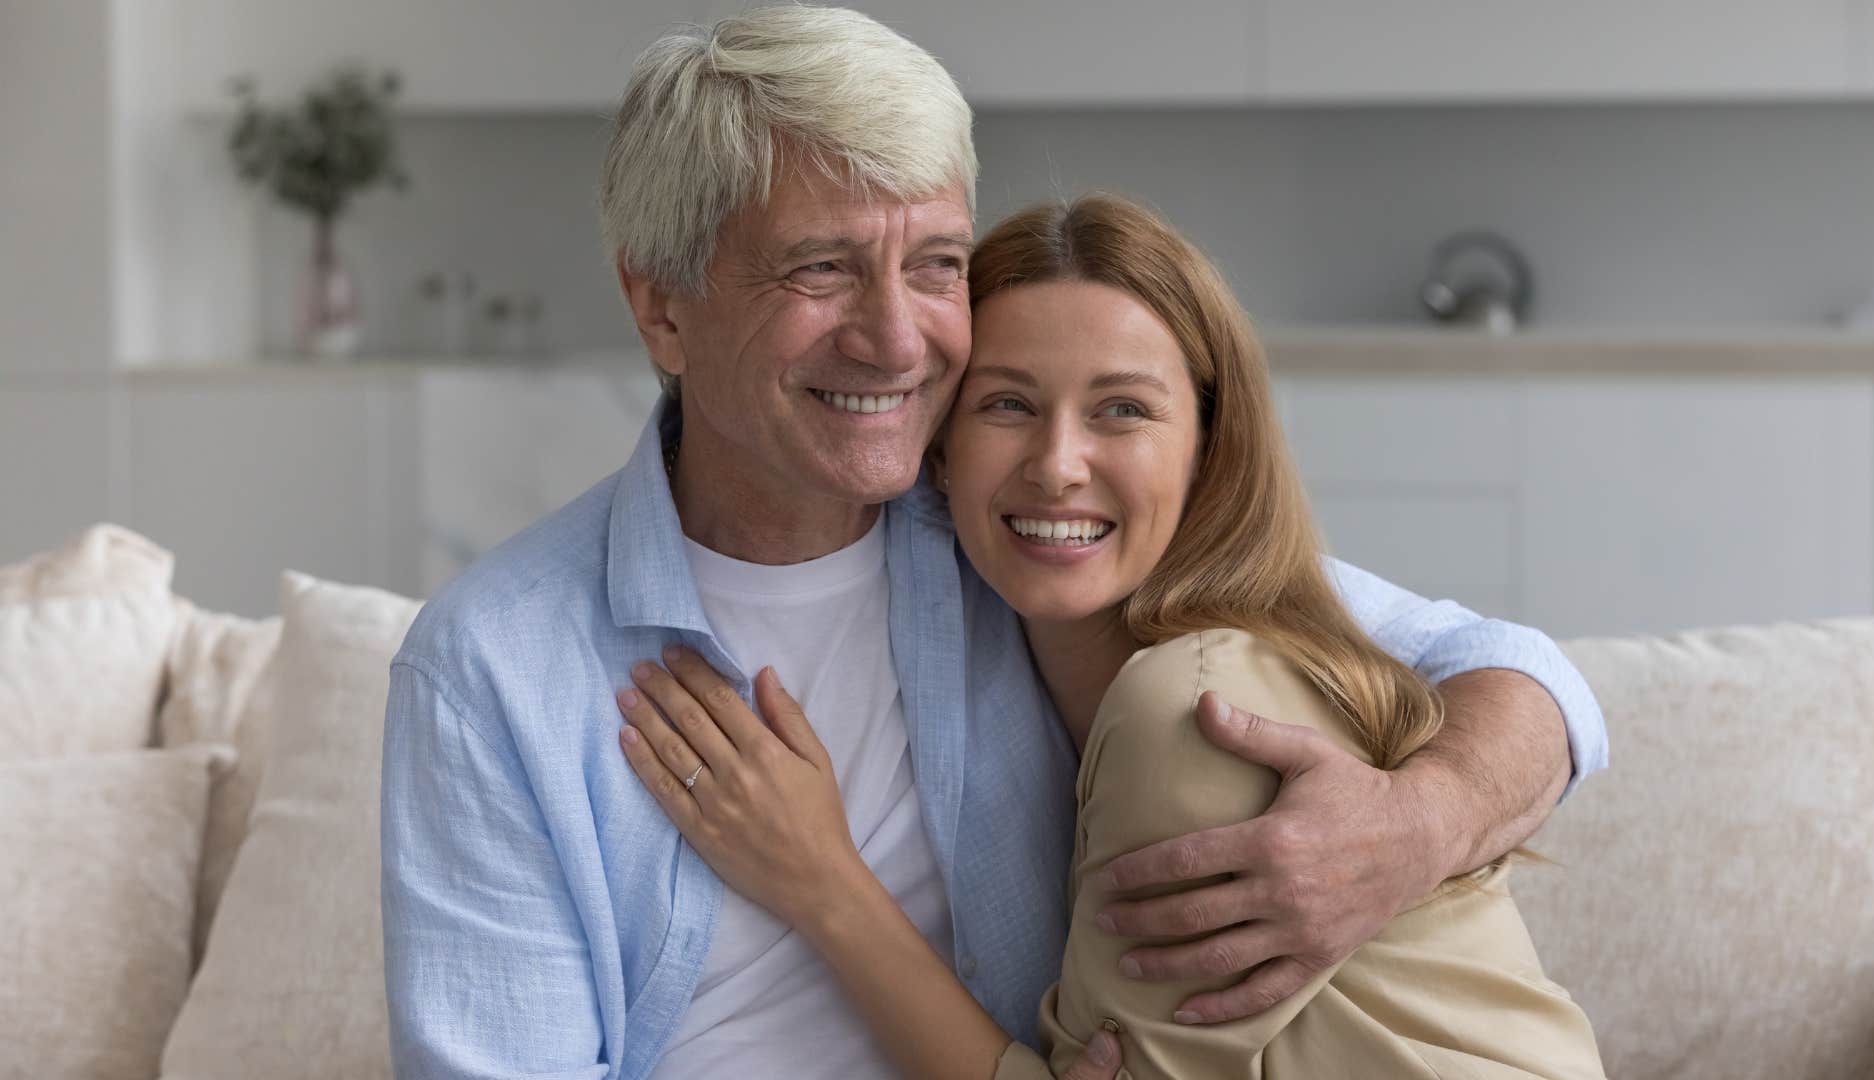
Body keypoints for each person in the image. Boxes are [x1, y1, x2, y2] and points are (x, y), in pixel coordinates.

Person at [380, 8, 1607, 1078]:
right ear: (661, 305)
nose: (896, 338)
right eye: (821, 268)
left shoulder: (1021, 537)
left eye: (936, 267)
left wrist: (1417, 828)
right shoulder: (496, 668)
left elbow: (1521, 675)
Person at [613, 193, 1607, 1078]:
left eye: (1122, 410)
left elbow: (1528, 668)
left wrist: (820, 879)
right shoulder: (959, 588)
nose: (1057, 466)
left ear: (1207, 447)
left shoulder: (1200, 709)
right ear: (940, 447)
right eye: (1006, 404)